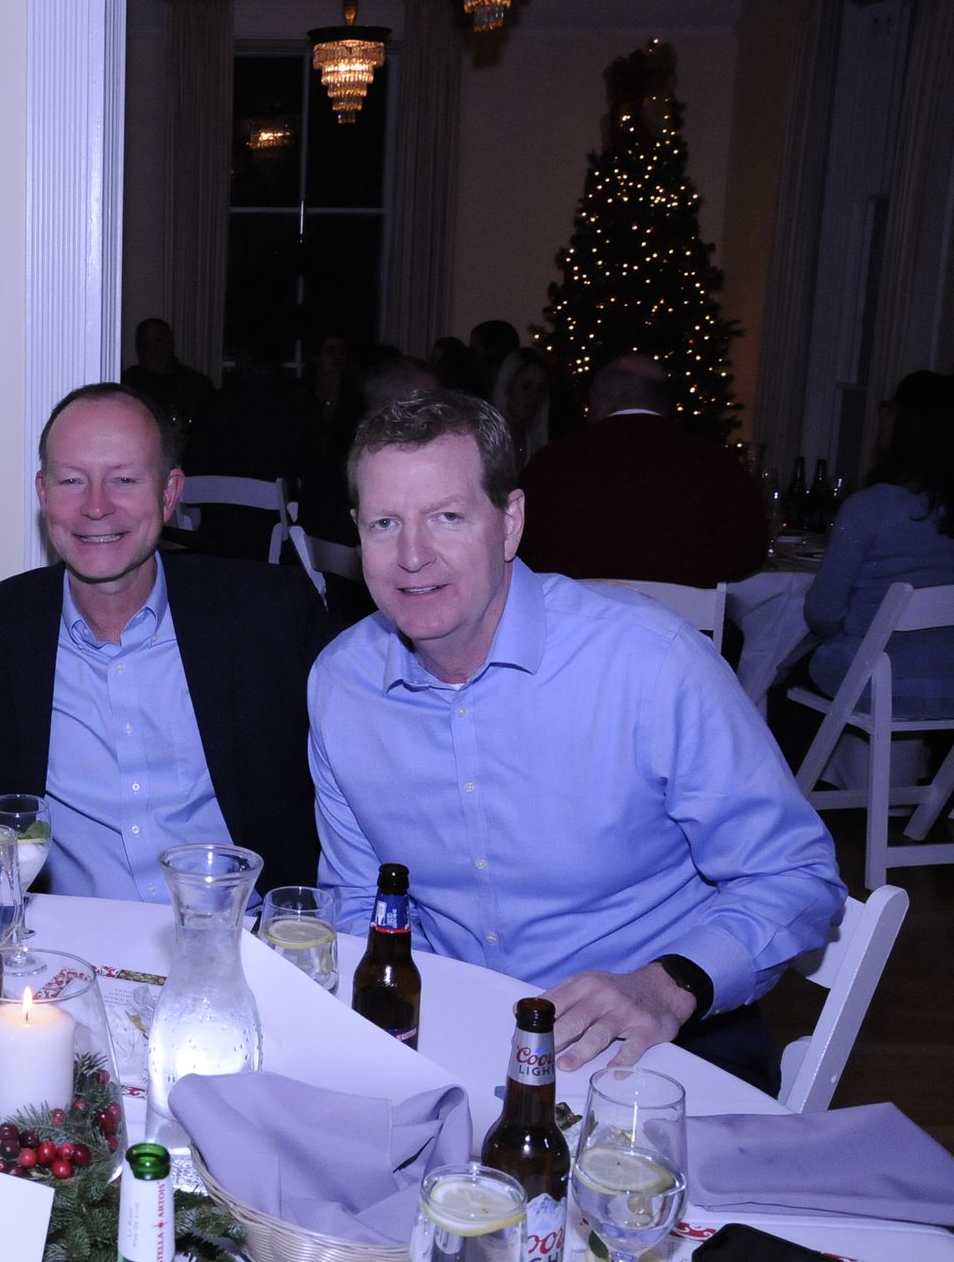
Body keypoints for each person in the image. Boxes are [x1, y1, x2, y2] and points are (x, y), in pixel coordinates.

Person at [309, 392, 844, 1091]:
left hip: (659, 1044)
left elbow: (797, 876)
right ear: (358, 534)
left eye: (447, 516)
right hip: (454, 1044)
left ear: (509, 523)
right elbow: (357, 901)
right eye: (386, 523)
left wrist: (668, 983)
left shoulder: (649, 663)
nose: (413, 555)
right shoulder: (342, 686)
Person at [0, 384, 332, 902]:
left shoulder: (270, 618)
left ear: (169, 494)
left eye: (123, 479)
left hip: (242, 946)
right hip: (68, 954)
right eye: (72, 480)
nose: (96, 506)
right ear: (43, 493)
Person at [518, 353, 765, 588]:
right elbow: (749, 557)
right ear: (666, 406)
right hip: (687, 629)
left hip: (573, 628)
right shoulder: (720, 466)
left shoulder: (551, 464)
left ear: (597, 404)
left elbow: (521, 549)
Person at [805, 369, 954, 717]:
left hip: (878, 680)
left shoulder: (870, 507)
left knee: (786, 676)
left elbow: (822, 613)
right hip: (947, 681)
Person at [123, 317, 216, 438]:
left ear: (171, 342)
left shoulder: (197, 384)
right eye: (146, 343)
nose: (153, 349)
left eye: (159, 341)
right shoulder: (127, 385)